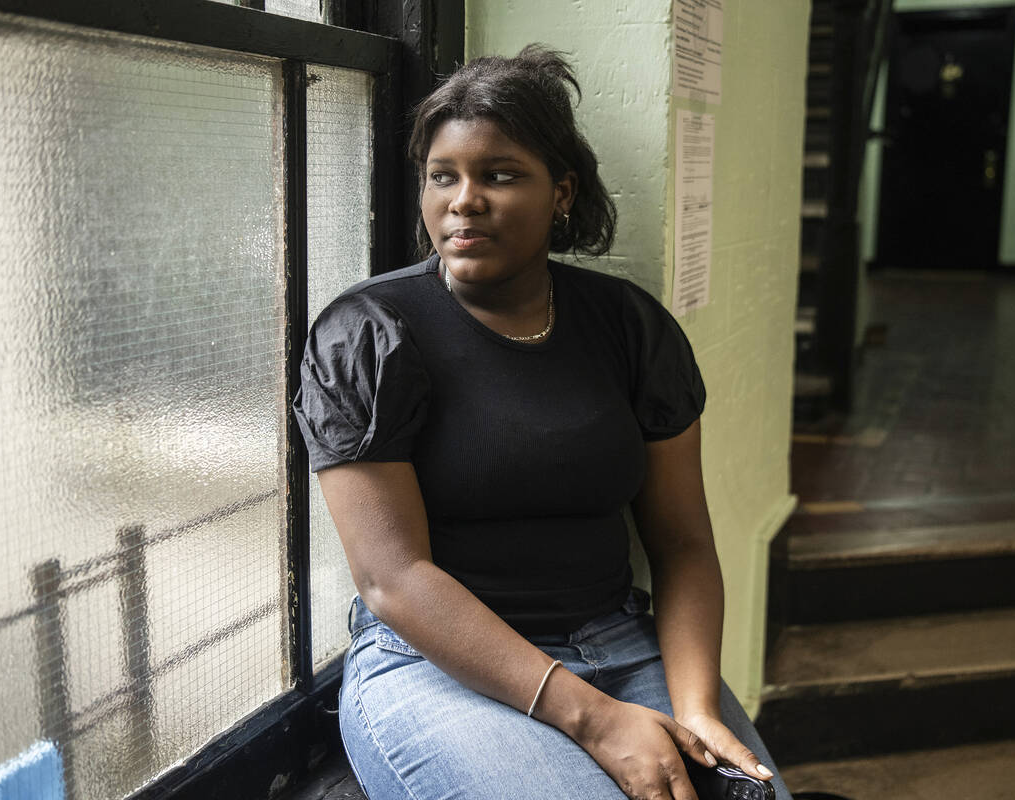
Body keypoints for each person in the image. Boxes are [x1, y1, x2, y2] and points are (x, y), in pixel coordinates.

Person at [293, 44, 791, 800]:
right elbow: (393, 579)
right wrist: (594, 719)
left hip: (624, 642)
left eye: (499, 175)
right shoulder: (370, 333)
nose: (463, 200)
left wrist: (694, 708)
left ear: (561, 192)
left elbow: (684, 542)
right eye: (442, 176)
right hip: (437, 665)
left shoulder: (628, 326)